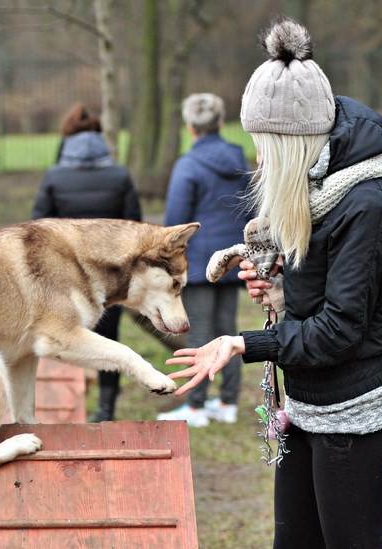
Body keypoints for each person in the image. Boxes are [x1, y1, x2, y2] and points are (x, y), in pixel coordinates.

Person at [166, 16, 382, 548]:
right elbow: (321, 288)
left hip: (352, 415)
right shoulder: (320, 191)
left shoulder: (365, 206)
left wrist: (241, 343)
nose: (257, 158)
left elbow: (339, 329)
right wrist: (279, 286)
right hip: (304, 404)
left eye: (264, 145)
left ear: (293, 143)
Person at [32, 103, 142, 422]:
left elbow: (37, 228)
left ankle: (64, 403)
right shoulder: (120, 176)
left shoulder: (54, 177)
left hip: (65, 276)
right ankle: (106, 409)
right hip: (109, 275)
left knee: (64, 335)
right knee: (108, 340)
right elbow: (135, 226)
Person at [156, 93, 252, 427]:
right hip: (233, 258)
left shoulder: (188, 165)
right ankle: (227, 404)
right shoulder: (240, 160)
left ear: (190, 127)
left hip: (197, 263)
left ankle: (195, 407)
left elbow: (176, 222)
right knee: (228, 331)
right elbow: (251, 209)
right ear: (220, 123)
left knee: (199, 333)